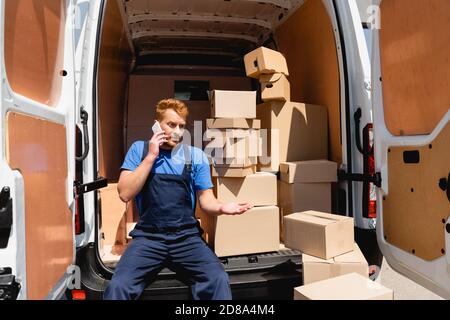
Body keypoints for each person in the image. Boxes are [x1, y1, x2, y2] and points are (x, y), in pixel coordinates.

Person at [104, 99, 253, 300]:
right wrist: (151, 156)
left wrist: (224, 207)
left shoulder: (196, 156)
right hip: (149, 238)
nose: (177, 131)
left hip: (186, 238)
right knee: (118, 287)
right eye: (171, 124)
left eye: (181, 126)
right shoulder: (139, 150)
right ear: (157, 124)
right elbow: (124, 193)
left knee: (217, 279)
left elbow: (207, 200)